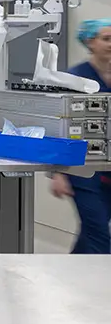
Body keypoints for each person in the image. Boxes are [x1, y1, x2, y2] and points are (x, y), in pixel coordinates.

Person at [49, 18, 111, 253]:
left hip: (108, 171)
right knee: (99, 237)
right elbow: (59, 125)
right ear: (90, 42)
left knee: (92, 232)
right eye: (106, 39)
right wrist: (58, 172)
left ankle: (70, 277)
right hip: (82, 171)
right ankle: (101, 286)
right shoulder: (76, 79)